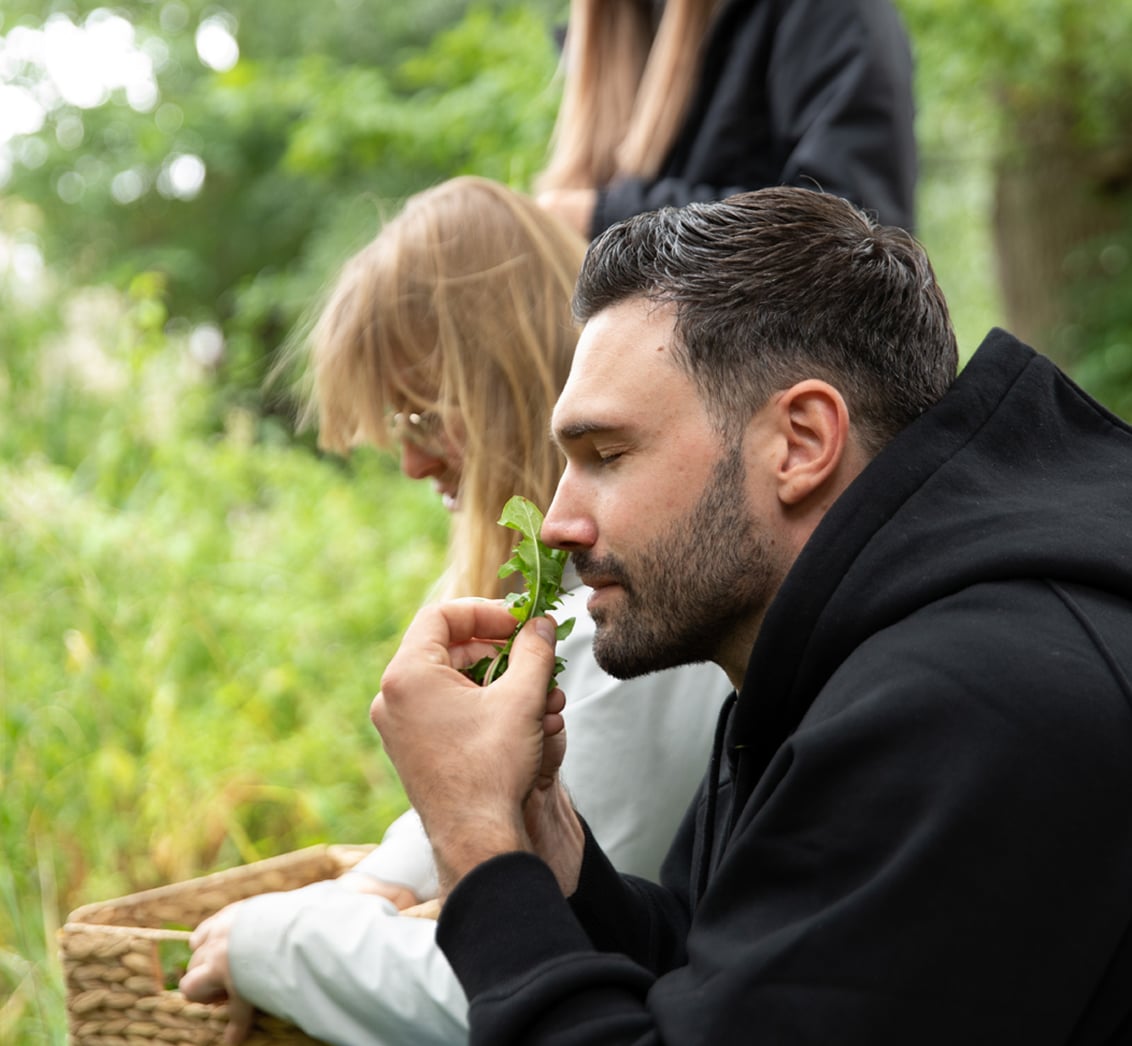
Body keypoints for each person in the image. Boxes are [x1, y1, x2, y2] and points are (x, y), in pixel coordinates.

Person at [373, 186, 1132, 1043]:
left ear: (801, 442)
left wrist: (475, 841)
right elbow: (726, 977)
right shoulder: (823, 663)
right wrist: (549, 847)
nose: (557, 521)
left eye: (607, 455)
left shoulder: (968, 703)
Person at [178, 176, 730, 1045]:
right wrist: (376, 891)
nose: (408, 463)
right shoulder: (564, 601)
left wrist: (273, 941)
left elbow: (534, 970)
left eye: (418, 413)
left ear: (497, 383)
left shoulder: (634, 624)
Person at [534, 0, 917, 240]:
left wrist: (603, 217)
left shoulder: (827, 12)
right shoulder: (623, 24)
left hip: (775, 360)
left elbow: (859, 233)